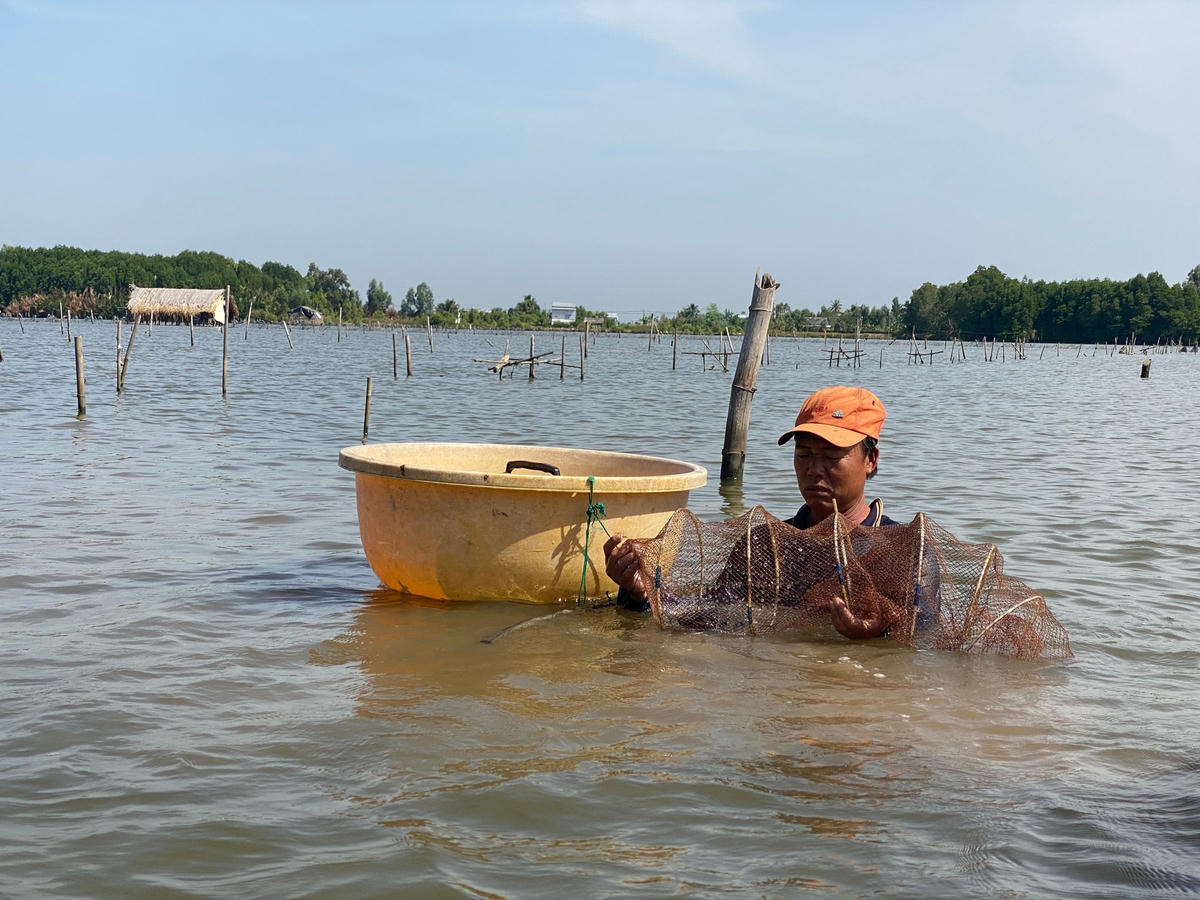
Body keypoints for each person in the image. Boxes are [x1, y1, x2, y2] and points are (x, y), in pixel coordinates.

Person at [604, 385, 895, 639]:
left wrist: (877, 635)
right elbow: (704, 621)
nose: (814, 470)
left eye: (831, 456)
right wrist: (639, 592)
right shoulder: (765, 546)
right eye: (803, 455)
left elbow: (917, 644)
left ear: (870, 460)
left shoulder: (897, 552)